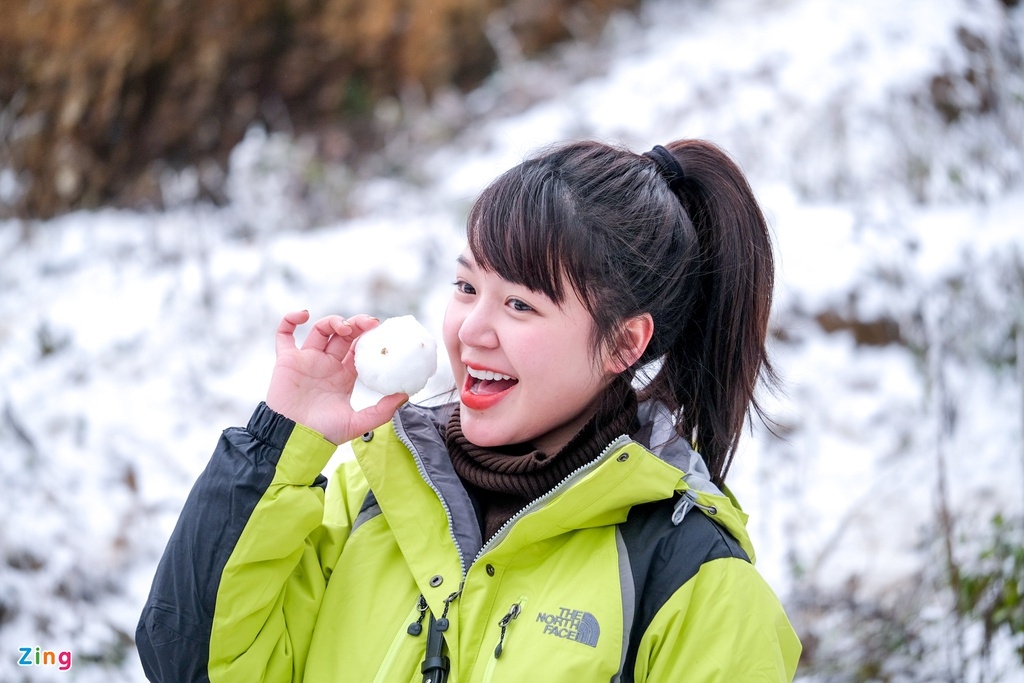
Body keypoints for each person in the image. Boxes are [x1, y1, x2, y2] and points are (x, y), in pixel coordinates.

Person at [136, 139, 802, 682]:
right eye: (466, 285)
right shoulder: (370, 494)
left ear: (623, 342)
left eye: (520, 304)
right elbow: (190, 663)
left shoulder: (691, 581)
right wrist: (279, 441)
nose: (471, 329)